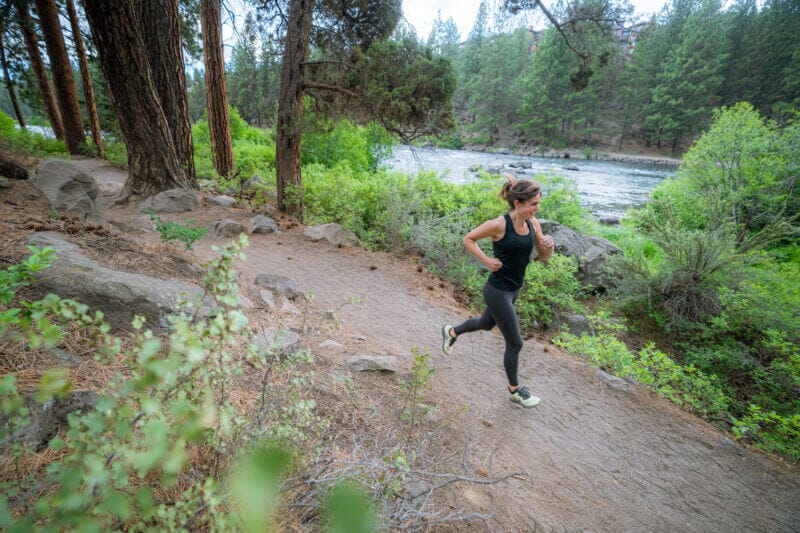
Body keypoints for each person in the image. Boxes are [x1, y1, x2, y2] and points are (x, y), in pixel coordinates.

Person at [441, 175, 554, 408]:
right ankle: (515, 390)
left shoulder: (534, 225)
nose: (537, 208)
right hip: (497, 291)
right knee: (515, 343)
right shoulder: (499, 224)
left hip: (514, 290)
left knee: (485, 323)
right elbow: (468, 239)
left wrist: (548, 248)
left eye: (538, 204)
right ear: (518, 203)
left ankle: (451, 332)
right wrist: (486, 261)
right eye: (533, 204)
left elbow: (543, 257)